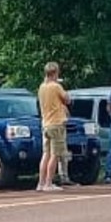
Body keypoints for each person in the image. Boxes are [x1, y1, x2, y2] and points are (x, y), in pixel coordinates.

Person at [37, 61, 72, 191]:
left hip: (45, 123)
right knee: (55, 154)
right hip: (56, 123)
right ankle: (48, 183)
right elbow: (67, 99)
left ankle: (40, 183)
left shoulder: (41, 87)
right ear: (55, 73)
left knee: (45, 153)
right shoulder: (56, 86)